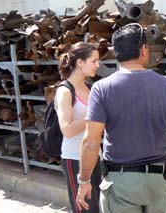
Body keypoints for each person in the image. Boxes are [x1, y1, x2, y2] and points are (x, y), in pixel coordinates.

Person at [76, 23, 166, 213]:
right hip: (157, 180)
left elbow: (91, 142)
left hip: (121, 181)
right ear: (144, 50)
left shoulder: (102, 89)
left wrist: (84, 180)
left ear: (117, 53)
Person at [55, 42, 102, 213]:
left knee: (97, 208)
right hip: (74, 158)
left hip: (95, 155)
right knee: (84, 209)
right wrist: (96, 115)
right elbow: (66, 129)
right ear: (80, 62)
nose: (98, 65)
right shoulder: (64, 91)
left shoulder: (90, 88)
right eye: (94, 61)